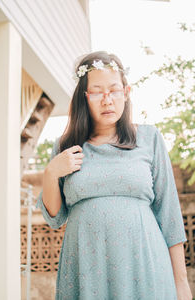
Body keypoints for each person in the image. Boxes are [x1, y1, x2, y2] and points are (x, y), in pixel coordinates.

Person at [36, 51, 192, 300]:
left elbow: (169, 214)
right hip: (86, 270)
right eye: (97, 91)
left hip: (146, 266)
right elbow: (54, 218)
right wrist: (51, 172)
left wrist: (181, 283)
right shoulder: (67, 147)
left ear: (126, 92)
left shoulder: (149, 138)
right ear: (85, 97)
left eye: (114, 90)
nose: (107, 100)